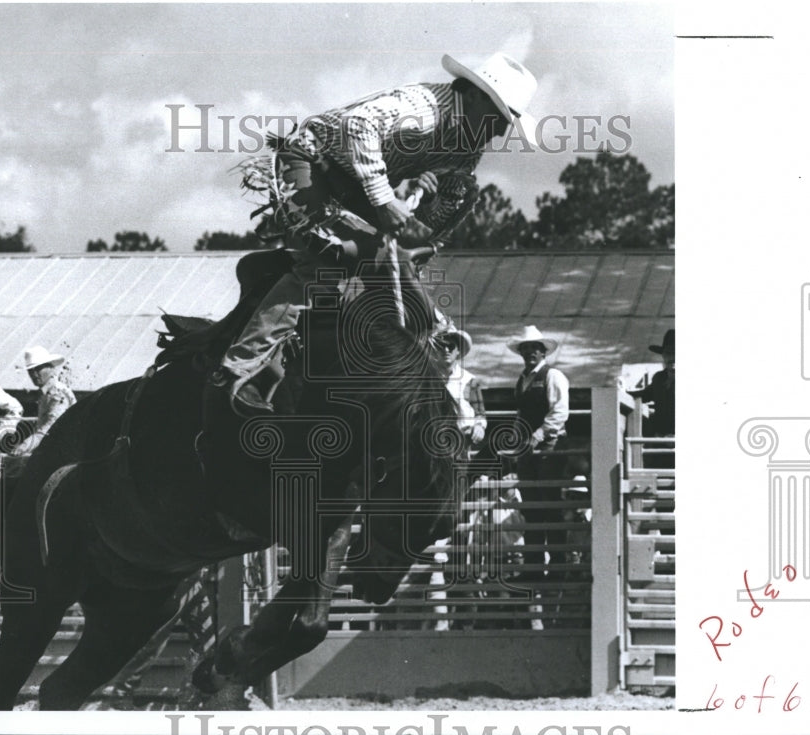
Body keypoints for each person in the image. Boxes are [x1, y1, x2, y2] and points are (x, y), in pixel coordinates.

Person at [213, 52, 539, 415]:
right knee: (333, 261)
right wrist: (385, 199)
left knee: (398, 262)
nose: (500, 130)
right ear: (475, 96)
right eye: (499, 117)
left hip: (358, 189)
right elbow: (357, 125)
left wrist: (426, 189)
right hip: (309, 163)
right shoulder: (424, 107)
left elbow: (445, 196)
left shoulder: (469, 143)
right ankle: (239, 369)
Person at [503, 325, 570, 593]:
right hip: (528, 449)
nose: (530, 352)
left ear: (543, 351)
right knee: (530, 506)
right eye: (526, 349)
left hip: (550, 447)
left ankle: (558, 566)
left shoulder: (553, 376)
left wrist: (539, 434)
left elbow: (560, 412)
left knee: (550, 505)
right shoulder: (522, 380)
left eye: (534, 348)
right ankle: (532, 567)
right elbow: (522, 414)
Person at [13, 345, 77, 456]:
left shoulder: (57, 393)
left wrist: (24, 446)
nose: (34, 374)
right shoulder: (47, 393)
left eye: (38, 368)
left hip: (63, 451)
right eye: (30, 371)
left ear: (51, 368)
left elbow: (50, 427)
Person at [435, 327, 487, 451]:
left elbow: (479, 413)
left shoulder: (469, 380)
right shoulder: (429, 379)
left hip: (462, 441)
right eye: (441, 346)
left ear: (458, 351)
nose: (446, 350)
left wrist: (479, 426)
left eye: (451, 346)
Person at [628, 329, 675, 468]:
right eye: (668, 353)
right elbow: (643, 395)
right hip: (660, 442)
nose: (672, 358)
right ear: (663, 356)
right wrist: (622, 393)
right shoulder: (659, 378)